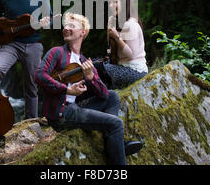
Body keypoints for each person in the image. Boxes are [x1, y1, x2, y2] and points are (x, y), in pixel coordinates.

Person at [35, 13, 143, 165]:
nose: (66, 28)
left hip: (74, 108)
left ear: (82, 32)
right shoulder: (57, 52)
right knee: (116, 124)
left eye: (71, 26)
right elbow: (40, 75)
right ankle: (117, 151)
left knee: (112, 96)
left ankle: (112, 141)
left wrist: (91, 77)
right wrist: (66, 90)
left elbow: (104, 94)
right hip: (62, 113)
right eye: (65, 26)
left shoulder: (83, 61)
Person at [94, 0, 148, 89]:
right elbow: (110, 50)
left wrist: (117, 37)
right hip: (124, 67)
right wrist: (109, 29)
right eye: (110, 3)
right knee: (93, 63)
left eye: (115, 2)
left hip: (134, 71)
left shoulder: (131, 24)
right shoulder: (120, 24)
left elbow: (130, 55)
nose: (111, 6)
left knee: (95, 69)